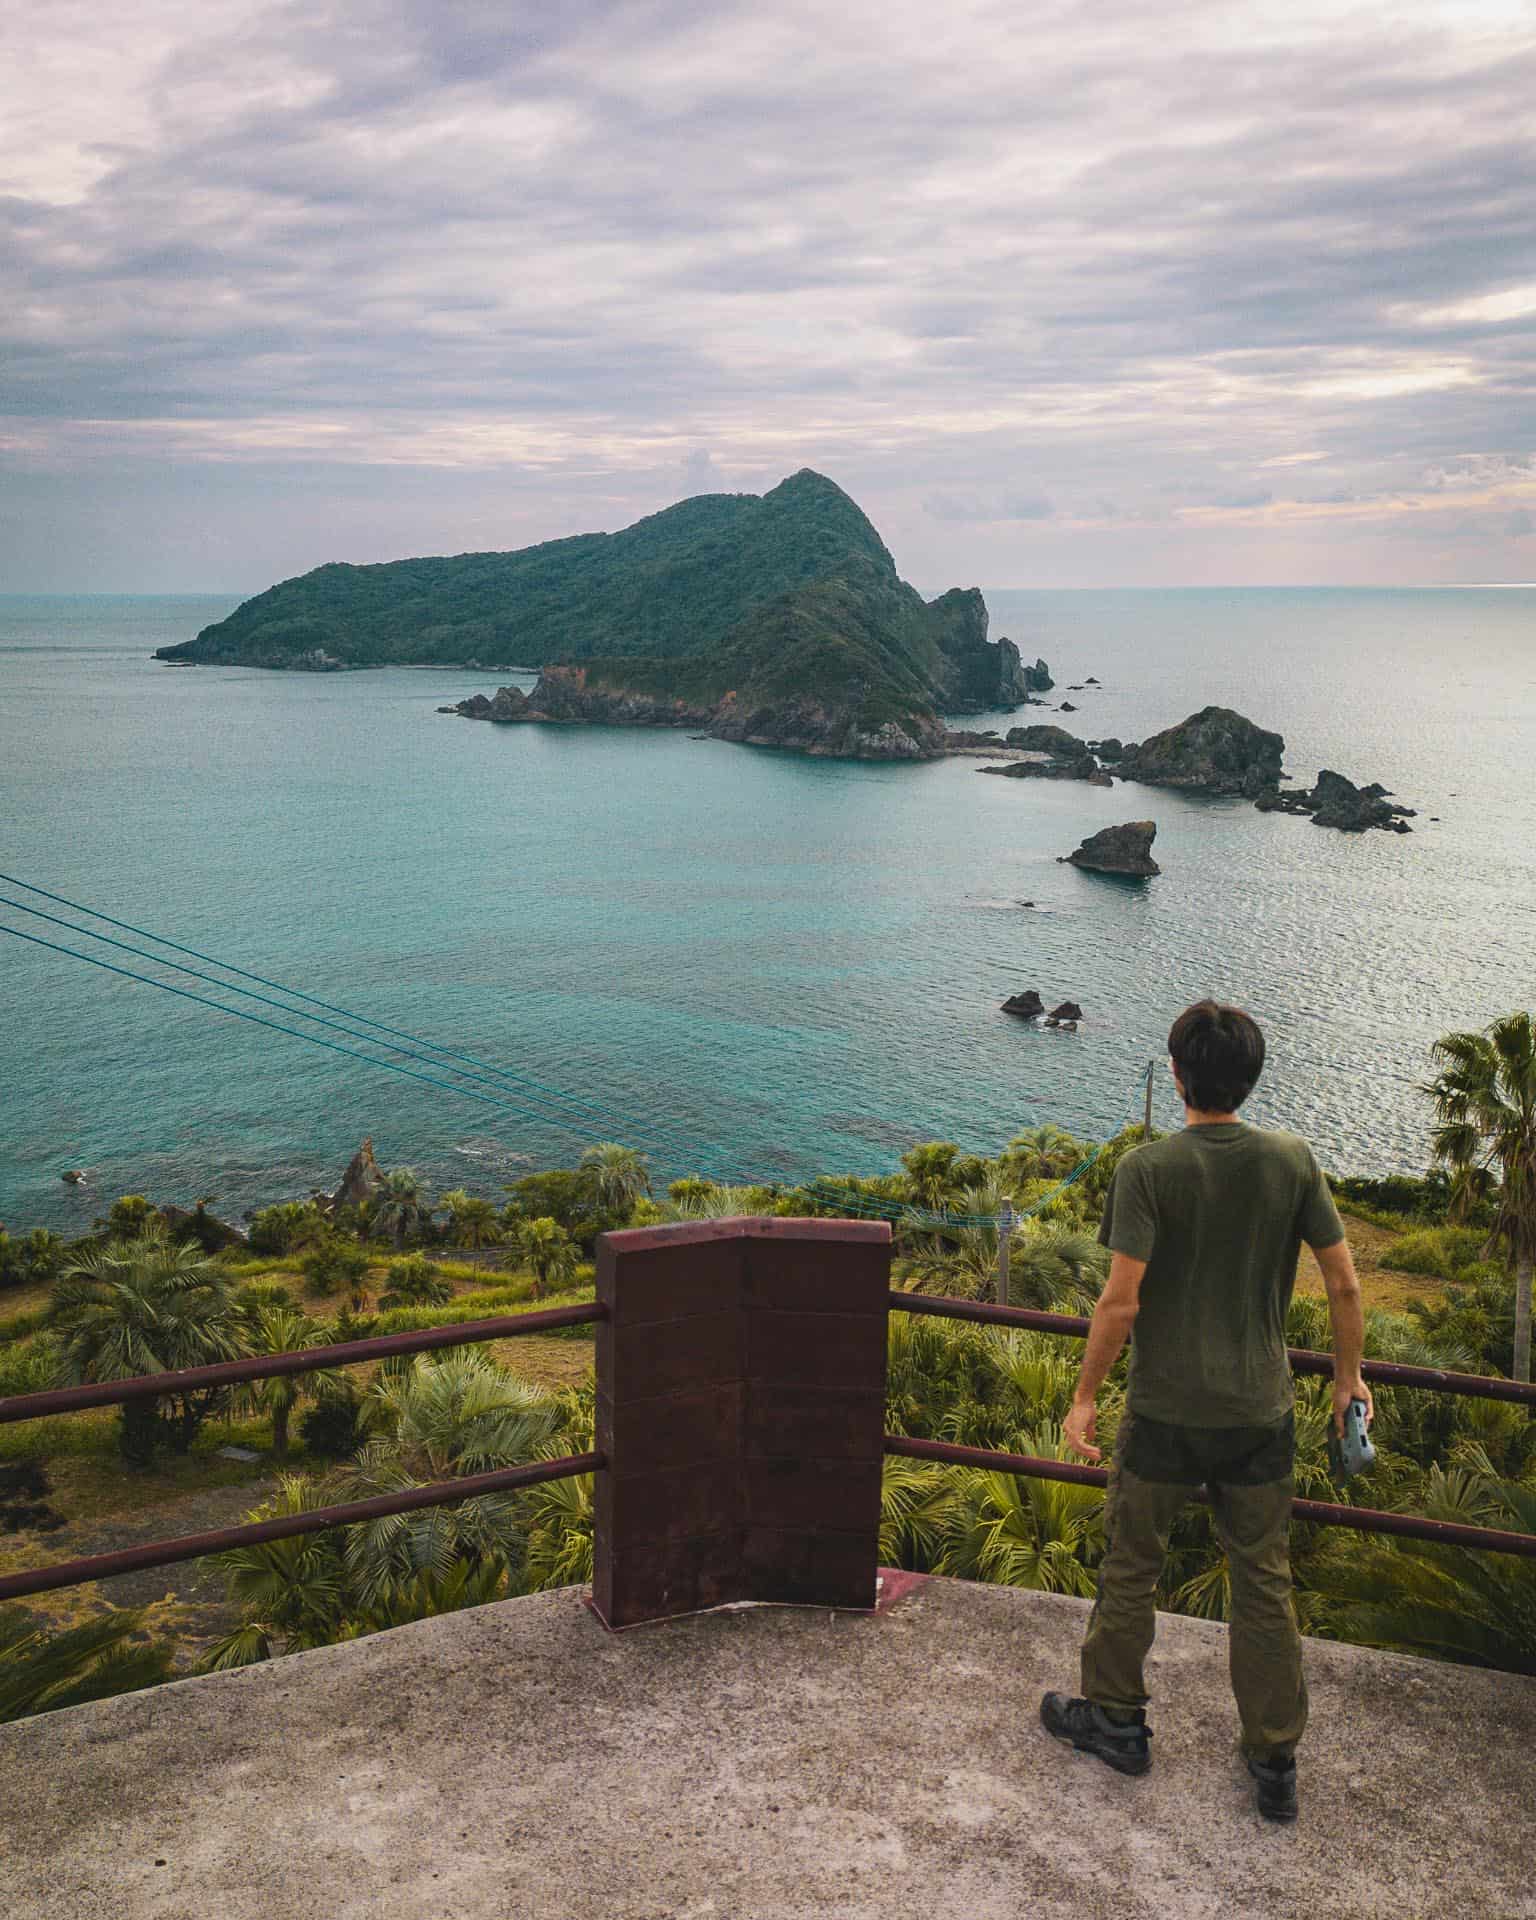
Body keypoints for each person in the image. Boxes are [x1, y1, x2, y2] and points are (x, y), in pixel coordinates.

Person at [1038, 999, 1371, 1824]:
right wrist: (1346, 1380)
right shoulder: (1292, 1161)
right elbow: (1345, 1283)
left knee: (1131, 1565)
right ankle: (1274, 1758)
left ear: (1179, 1075)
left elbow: (1119, 1304)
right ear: (1249, 1080)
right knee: (1263, 1580)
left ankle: (1115, 1720)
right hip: (1260, 1414)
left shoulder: (1147, 1170)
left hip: (1164, 1415)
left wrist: (1083, 1400)